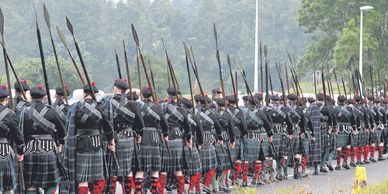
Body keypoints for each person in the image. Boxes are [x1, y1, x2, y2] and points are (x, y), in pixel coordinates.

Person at [62, 82, 115, 194]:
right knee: (98, 178)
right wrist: (111, 141)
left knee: (83, 179)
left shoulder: (75, 107)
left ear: (84, 93)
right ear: (95, 94)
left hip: (80, 144)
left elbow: (69, 127)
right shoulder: (100, 107)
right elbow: (108, 127)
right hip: (96, 144)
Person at [20, 84, 66, 193]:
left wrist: (21, 150)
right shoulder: (52, 111)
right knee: (51, 183)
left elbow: (21, 134)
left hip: (30, 151)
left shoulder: (25, 112)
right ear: (44, 97)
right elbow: (62, 132)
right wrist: (60, 143)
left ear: (31, 97)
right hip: (48, 150)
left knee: (30, 184)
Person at [102, 79, 144, 194]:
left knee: (113, 170)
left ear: (115, 89)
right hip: (129, 138)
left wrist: (109, 140)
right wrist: (139, 135)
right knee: (127, 169)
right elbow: (140, 125)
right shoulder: (132, 104)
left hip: (112, 138)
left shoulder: (106, 102)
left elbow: (103, 123)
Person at [159, 86, 191, 194]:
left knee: (163, 169)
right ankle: (180, 192)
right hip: (177, 139)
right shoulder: (182, 109)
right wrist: (189, 139)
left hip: (165, 138)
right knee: (178, 168)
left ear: (168, 95)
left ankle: (160, 192)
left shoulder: (162, 106)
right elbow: (187, 127)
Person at [136, 86, 168, 194]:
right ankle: (154, 191)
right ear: (152, 95)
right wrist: (165, 134)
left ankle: (139, 192)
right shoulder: (157, 107)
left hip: (142, 137)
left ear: (142, 95)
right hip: (155, 138)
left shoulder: (138, 106)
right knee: (155, 170)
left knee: (140, 169)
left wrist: (137, 133)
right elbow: (164, 123)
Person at [242, 95, 272, 186]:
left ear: (248, 102)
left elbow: (242, 125)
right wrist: (269, 134)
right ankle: (256, 179)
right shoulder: (260, 113)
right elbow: (268, 126)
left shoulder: (243, 111)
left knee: (246, 159)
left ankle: (244, 180)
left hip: (247, 136)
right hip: (257, 136)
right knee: (258, 158)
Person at [0, 84, 25, 193]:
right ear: (6, 99)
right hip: (3, 151)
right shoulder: (10, 114)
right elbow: (18, 136)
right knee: (8, 187)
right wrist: (20, 152)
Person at [194, 94, 221, 194]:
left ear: (198, 102)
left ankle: (196, 189)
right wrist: (220, 138)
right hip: (208, 140)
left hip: (196, 140)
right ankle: (206, 185)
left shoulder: (193, 112)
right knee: (212, 166)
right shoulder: (211, 113)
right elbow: (217, 127)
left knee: (196, 167)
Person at [181, 97, 203, 194]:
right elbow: (200, 132)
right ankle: (193, 189)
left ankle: (191, 189)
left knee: (181, 169)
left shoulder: (180, 115)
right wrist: (200, 143)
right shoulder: (194, 116)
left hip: (181, 143)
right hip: (192, 144)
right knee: (195, 169)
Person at [268, 94, 292, 180]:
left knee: (270, 155)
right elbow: (289, 122)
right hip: (281, 133)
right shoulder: (284, 109)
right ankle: (279, 173)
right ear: (278, 101)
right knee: (281, 154)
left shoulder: (267, 109)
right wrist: (290, 132)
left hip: (271, 133)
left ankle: (271, 174)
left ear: (271, 100)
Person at [213, 97, 235, 192]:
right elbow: (231, 129)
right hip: (224, 139)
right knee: (225, 164)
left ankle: (214, 186)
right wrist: (232, 141)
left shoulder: (212, 113)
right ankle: (222, 184)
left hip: (213, 139)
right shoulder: (227, 115)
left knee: (215, 164)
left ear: (217, 105)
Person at [226, 94, 247, 186]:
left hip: (225, 136)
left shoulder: (225, 111)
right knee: (237, 159)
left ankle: (225, 182)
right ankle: (235, 180)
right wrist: (242, 134)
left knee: (226, 159)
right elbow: (244, 127)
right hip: (237, 136)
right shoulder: (239, 112)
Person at [285, 94, 306, 179]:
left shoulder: (285, 109)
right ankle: (296, 172)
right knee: (297, 153)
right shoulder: (300, 110)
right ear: (296, 100)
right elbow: (303, 123)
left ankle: (285, 173)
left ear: (288, 100)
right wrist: (302, 132)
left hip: (287, 133)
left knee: (285, 153)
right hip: (296, 133)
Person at [333, 95, 356, 170]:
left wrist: (334, 128)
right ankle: (345, 162)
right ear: (345, 101)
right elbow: (353, 119)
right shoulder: (349, 108)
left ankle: (338, 164)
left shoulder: (335, 108)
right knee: (348, 146)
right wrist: (354, 128)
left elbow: (334, 119)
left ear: (338, 101)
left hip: (339, 128)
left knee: (339, 147)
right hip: (348, 128)